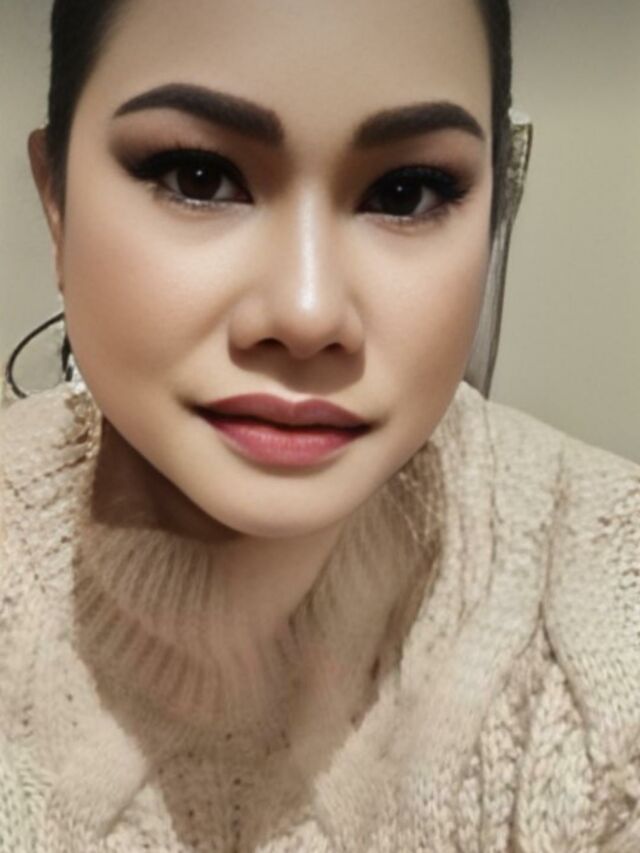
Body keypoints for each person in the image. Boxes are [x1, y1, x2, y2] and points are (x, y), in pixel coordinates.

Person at [0, 0, 638, 850]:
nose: (307, 313)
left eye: (406, 192)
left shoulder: (608, 586)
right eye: (198, 177)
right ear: (56, 200)